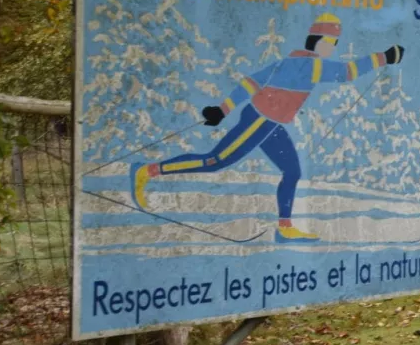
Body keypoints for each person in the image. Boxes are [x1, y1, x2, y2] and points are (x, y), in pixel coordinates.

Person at [130, 14, 403, 242]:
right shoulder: (309, 66)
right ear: (318, 41)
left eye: (335, 42)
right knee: (214, 161)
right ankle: (148, 169)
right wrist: (386, 56)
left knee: (292, 171)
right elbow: (348, 72)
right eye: (331, 42)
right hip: (259, 121)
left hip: (271, 125)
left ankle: (284, 229)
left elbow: (251, 83)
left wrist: (223, 110)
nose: (333, 47)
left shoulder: (289, 62)